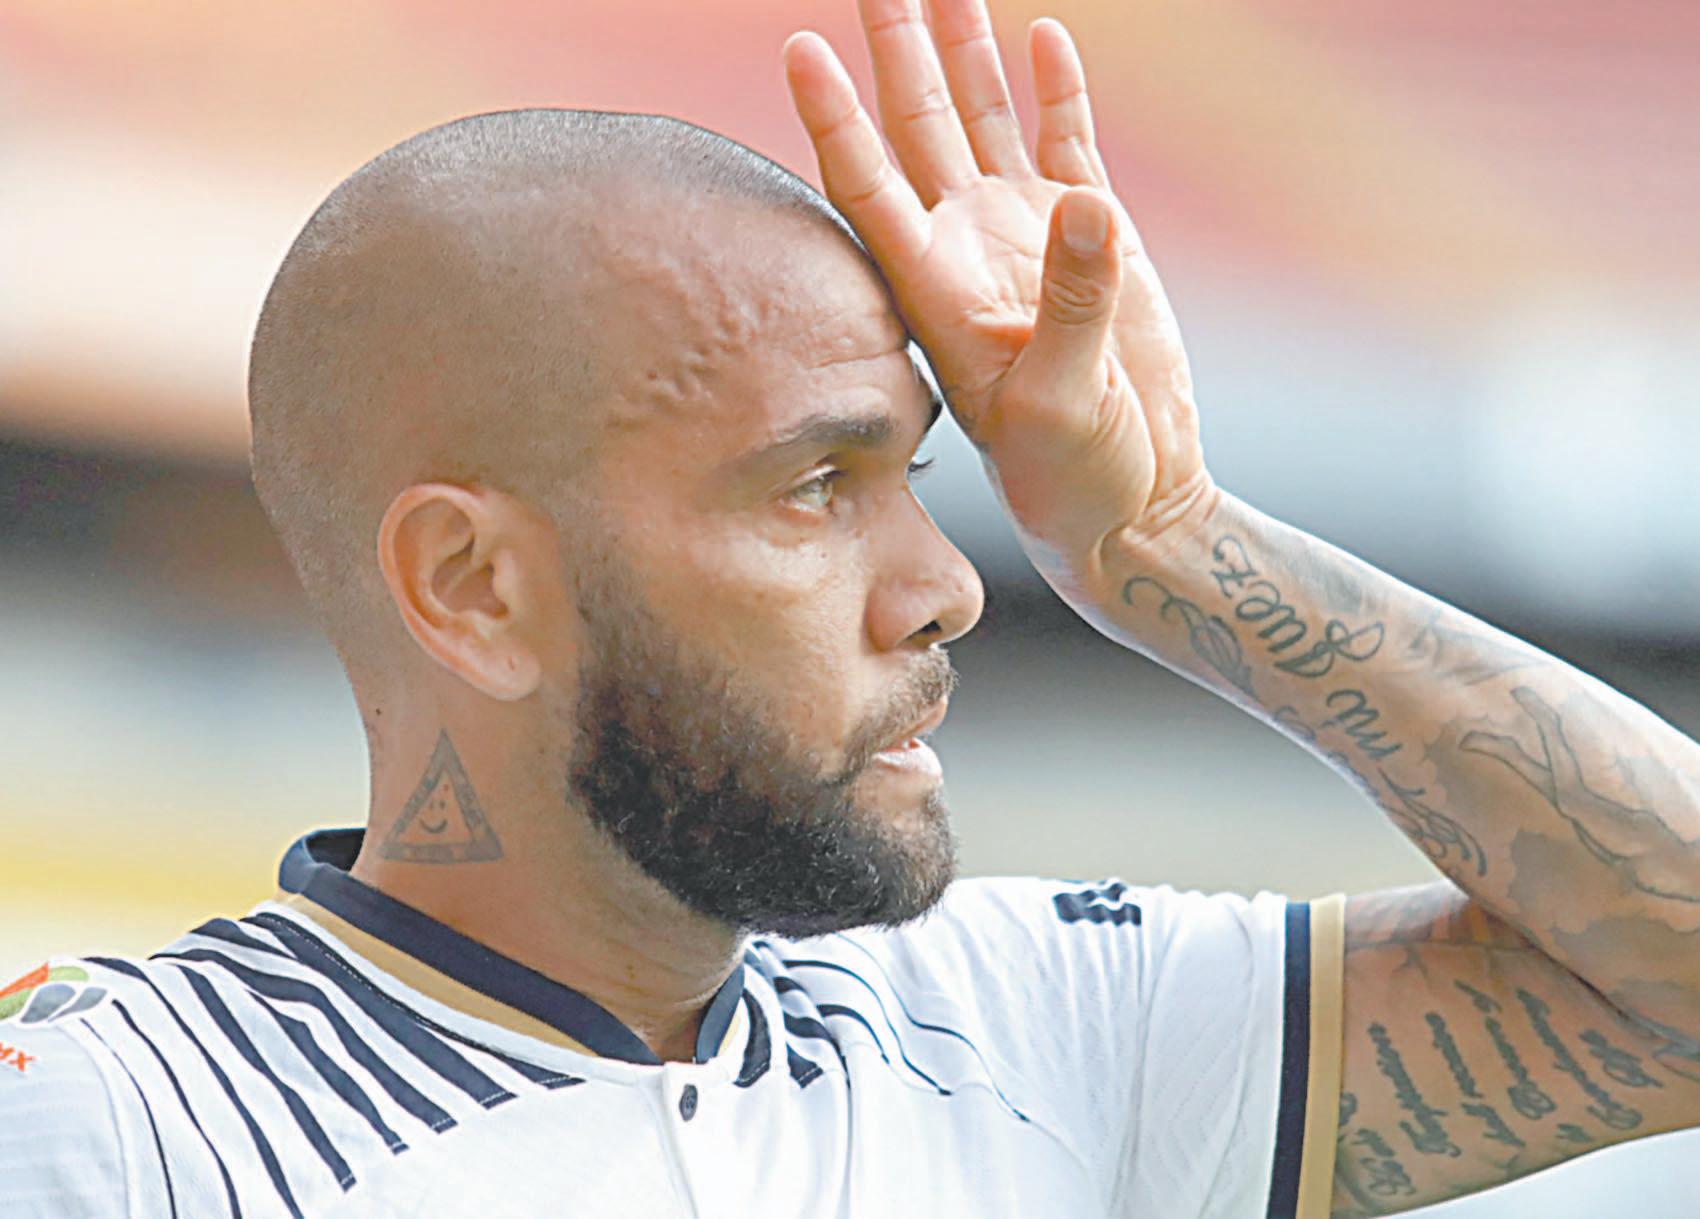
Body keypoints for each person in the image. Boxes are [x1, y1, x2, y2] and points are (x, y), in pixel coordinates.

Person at [5, 1, 1698, 1215]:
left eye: (918, 478)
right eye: (816, 487)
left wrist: (1170, 542)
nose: (947, 587)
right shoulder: (128, 1130)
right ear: (477, 587)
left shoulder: (1041, 1020)